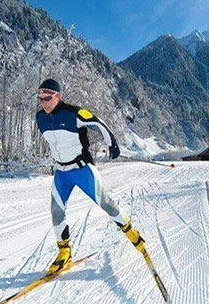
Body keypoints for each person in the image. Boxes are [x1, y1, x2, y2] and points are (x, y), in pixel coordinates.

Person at [35, 78, 146, 274]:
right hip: (62, 173)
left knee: (106, 204)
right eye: (41, 98)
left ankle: (132, 234)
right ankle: (64, 253)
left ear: (58, 96)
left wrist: (112, 142)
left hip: (82, 170)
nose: (44, 102)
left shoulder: (73, 113)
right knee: (56, 211)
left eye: (48, 98)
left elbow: (98, 122)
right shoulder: (40, 118)